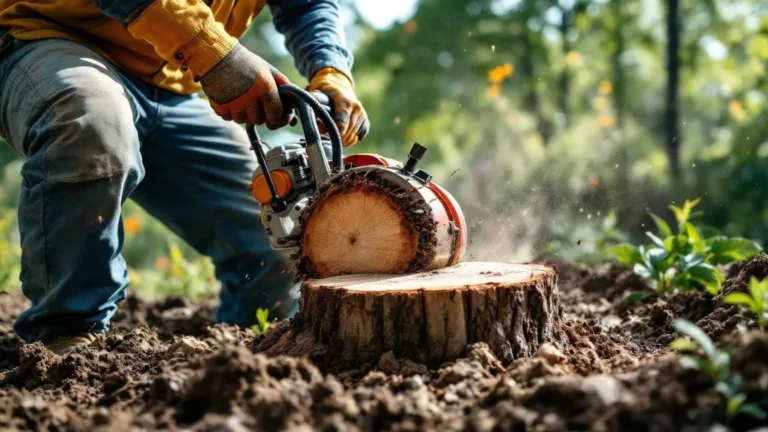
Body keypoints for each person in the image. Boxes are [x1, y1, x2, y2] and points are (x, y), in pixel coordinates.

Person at [0, 0, 369, 354]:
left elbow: (306, 5)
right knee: (91, 118)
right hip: (45, 38)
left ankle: (246, 350)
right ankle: (67, 337)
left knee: (275, 231)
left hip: (172, 82)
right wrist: (213, 53)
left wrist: (331, 69)